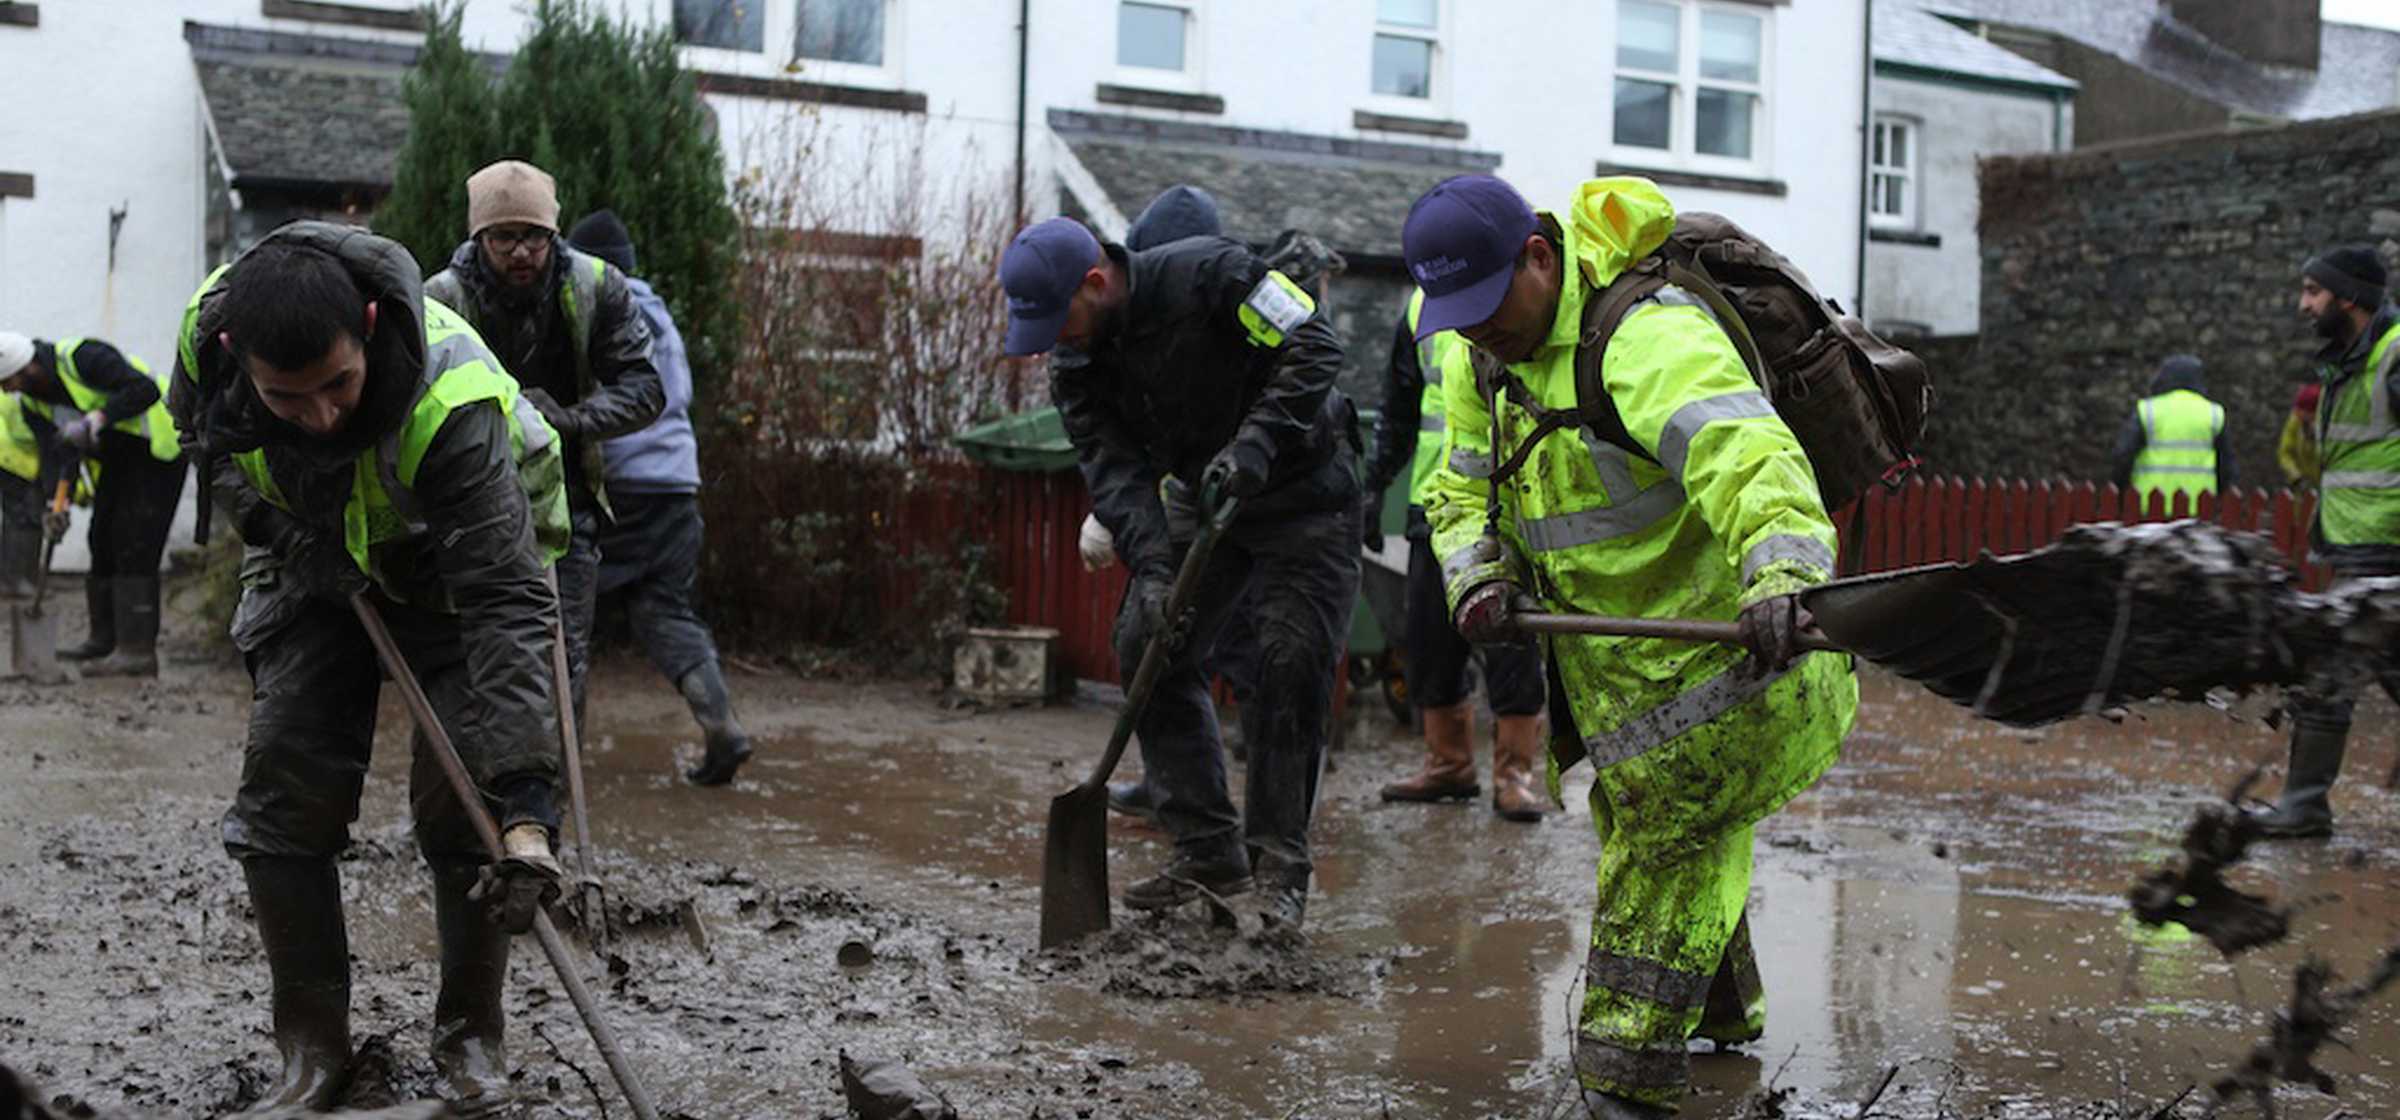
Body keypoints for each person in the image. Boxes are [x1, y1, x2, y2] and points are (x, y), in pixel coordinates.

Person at [1405, 175, 1857, 1117]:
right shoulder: (1470, 351)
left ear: (1540, 256)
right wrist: (1477, 575)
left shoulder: (1646, 335)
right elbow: (1453, 491)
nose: (1478, 331)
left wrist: (1784, 574)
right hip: (1614, 667)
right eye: (1459, 317)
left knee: (1665, 839)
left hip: (1735, 653)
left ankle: (1623, 1077)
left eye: (1490, 306)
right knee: (1657, 822)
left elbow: (1750, 457)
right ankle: (1726, 1015)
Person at [167, 222, 573, 1113]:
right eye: (287, 397)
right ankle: (312, 1053)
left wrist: (530, 797)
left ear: (371, 323)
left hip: (450, 563)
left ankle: (472, 1039)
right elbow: (204, 443)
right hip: (312, 554)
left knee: (466, 797)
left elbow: (506, 605)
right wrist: (283, 535)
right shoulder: (206, 342)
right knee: (284, 790)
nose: (321, 415)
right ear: (239, 359)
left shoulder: (449, 402)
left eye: (340, 384)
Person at [1001, 215, 1360, 935]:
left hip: (1306, 493)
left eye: (1057, 319)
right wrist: (1156, 569)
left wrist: (1257, 444)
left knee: (1289, 661)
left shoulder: (1214, 275)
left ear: (1096, 282)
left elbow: (1313, 344)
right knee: (1148, 641)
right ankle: (1208, 852)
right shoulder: (1078, 367)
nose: (1054, 341)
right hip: (1211, 499)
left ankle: (1278, 873)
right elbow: (1118, 474)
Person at [423, 160, 664, 723]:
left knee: (562, 661)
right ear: (478, 237)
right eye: (504, 237)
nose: (521, 252)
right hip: (467, 505)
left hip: (569, 502)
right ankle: (469, 802)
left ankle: (547, 801)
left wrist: (570, 419)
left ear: (554, 232)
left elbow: (646, 389)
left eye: (534, 236)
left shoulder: (597, 285)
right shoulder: (440, 299)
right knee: (469, 660)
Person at [563, 209, 754, 786]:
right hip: (677, 484)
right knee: (663, 609)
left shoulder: (599, 312)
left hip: (623, 484)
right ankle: (721, 723)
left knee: (565, 613)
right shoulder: (661, 316)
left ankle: (554, 762)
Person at [1361, 286, 1548, 822]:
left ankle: (1514, 776)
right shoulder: (1420, 307)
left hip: (1509, 506)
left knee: (1511, 639)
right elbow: (1399, 406)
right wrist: (1375, 487)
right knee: (1429, 641)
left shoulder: (1516, 290)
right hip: (1434, 502)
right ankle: (1449, 765)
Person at [2254, 245, 2400, 838]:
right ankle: (2305, 804)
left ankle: (2305, 805)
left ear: (2350, 298)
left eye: (2314, 292)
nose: (2302, 305)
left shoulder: (2394, 358)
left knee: (2327, 672)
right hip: (2358, 544)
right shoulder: (2346, 362)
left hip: (2384, 550)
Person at [0, 330, 188, 675]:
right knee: (100, 539)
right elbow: (58, 456)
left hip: (157, 451)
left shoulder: (83, 357)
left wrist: (96, 419)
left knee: (133, 542)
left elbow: (144, 389)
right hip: (118, 458)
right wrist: (57, 506)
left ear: (27, 368)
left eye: (7, 381)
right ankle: (103, 640)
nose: (6, 390)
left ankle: (136, 652)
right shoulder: (32, 403)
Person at [2108, 354, 2234, 503]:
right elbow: (2226, 465)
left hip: (2148, 504)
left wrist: (2121, 492)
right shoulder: (2213, 413)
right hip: (2199, 506)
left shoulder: (2148, 410)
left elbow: (2123, 456)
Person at [2278, 381, 2322, 489]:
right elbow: (2285, 452)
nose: (2296, 414)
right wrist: (2295, 476)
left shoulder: (2328, 427)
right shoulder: (2295, 422)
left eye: (2301, 411)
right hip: (2303, 487)